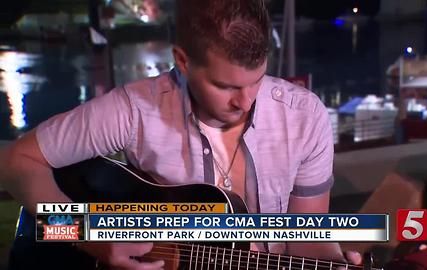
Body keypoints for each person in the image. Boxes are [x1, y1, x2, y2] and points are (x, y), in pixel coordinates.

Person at [0, 0, 361, 269]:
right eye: (225, 86)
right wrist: (89, 236)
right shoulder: (134, 110)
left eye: (257, 80)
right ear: (183, 61)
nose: (245, 101)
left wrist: (337, 261)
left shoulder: (304, 115)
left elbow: (308, 237)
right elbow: (15, 162)